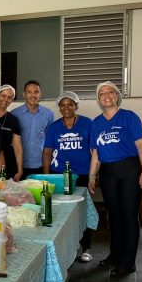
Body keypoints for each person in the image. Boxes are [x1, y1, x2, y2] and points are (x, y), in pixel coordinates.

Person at [88, 81, 142, 277]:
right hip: (108, 173)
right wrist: (92, 176)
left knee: (128, 216)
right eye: (101, 93)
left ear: (117, 96)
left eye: (110, 92)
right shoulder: (96, 123)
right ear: (98, 99)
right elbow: (96, 153)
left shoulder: (129, 117)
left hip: (130, 170)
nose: (106, 96)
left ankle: (128, 262)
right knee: (113, 216)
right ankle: (115, 255)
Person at [43, 91, 94, 262]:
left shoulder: (88, 124)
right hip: (59, 175)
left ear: (76, 106)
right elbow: (47, 152)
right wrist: (46, 176)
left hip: (82, 175)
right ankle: (64, 249)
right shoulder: (54, 127)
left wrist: (93, 175)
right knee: (62, 213)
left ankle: (86, 248)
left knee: (83, 211)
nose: (66, 108)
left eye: (70, 104)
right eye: (62, 105)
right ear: (59, 108)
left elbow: (95, 151)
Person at [11, 80, 54, 178]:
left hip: (40, 164)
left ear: (40, 94)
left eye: (36, 92)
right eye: (29, 92)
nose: (33, 95)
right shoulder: (14, 114)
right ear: (24, 94)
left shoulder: (49, 114)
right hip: (19, 165)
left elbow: (48, 139)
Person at [0, 84, 24, 181]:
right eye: (3, 95)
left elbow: (17, 147)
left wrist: (20, 170)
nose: (5, 99)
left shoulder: (13, 120)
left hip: (9, 165)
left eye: (9, 97)